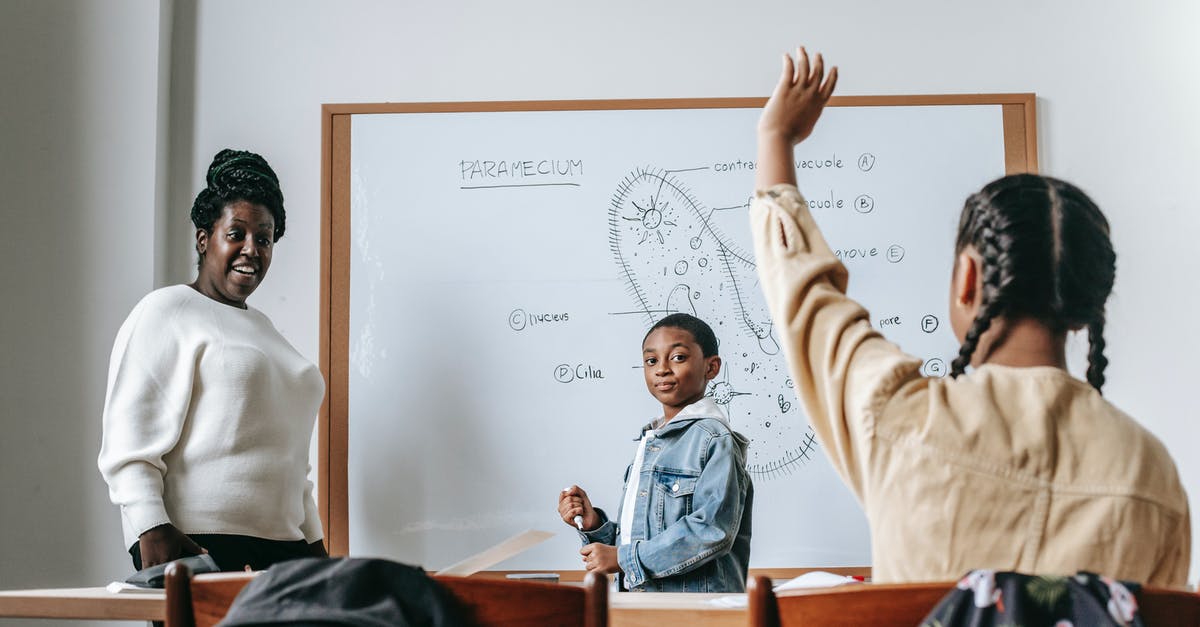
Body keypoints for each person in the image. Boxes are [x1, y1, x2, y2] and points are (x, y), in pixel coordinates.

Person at [750, 48, 1190, 585]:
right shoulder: (1151, 471)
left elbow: (805, 297)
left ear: (968, 279)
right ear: (1087, 307)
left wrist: (776, 139)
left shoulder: (897, 417)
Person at [98, 149, 328, 572]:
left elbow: (294, 467)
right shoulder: (167, 311)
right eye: (236, 233)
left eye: (264, 237)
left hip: (289, 551)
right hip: (202, 546)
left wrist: (316, 546)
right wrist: (150, 526)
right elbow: (127, 443)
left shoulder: (268, 332)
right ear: (204, 239)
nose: (251, 249)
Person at [557, 313, 753, 592]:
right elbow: (643, 539)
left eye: (678, 358)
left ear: (711, 367)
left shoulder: (714, 439)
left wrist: (624, 559)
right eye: (651, 361)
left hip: (695, 613)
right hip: (642, 607)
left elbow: (711, 531)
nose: (661, 369)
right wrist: (593, 525)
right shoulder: (651, 442)